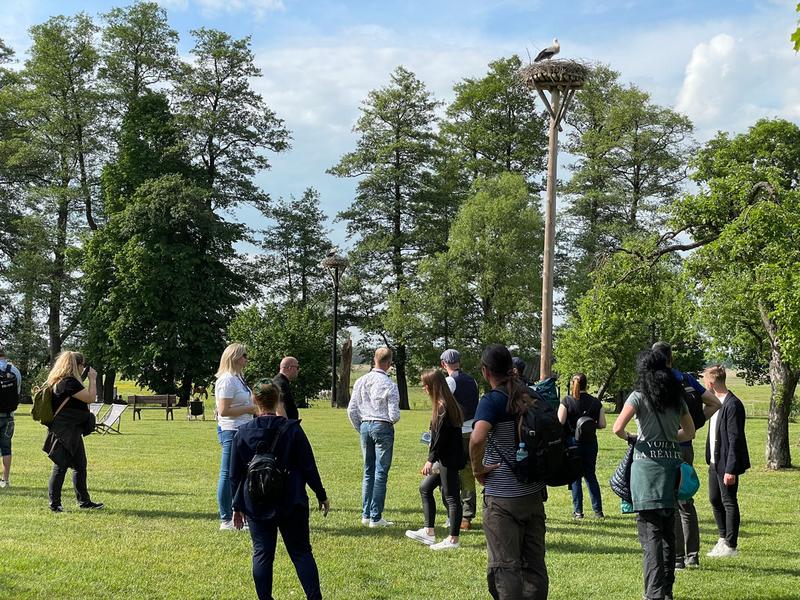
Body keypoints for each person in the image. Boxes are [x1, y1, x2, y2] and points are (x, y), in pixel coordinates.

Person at [230, 381, 329, 600]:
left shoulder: (242, 433)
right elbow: (308, 466)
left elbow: (235, 475)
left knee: (262, 553)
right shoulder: (292, 429)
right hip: (291, 498)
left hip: (256, 500)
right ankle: (314, 597)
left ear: (254, 401)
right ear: (278, 401)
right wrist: (320, 494)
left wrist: (237, 506)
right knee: (301, 552)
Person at [613, 350, 696, 600]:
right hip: (671, 468)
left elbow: (618, 428)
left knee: (650, 535)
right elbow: (689, 432)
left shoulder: (638, 396)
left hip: (645, 472)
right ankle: (666, 591)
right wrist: (670, 438)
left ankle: (653, 593)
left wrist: (633, 438)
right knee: (668, 533)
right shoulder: (677, 398)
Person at [470, 343, 548, 600]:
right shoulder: (530, 396)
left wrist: (477, 469)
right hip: (534, 492)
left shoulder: (492, 400)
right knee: (534, 566)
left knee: (505, 567)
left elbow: (477, 438)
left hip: (502, 497)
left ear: (485, 371)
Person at [652, 341, 721, 569]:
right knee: (685, 501)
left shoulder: (655, 380)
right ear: (671, 358)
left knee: (668, 502)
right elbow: (713, 403)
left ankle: (677, 557)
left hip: (663, 448)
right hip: (686, 447)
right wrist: (693, 425)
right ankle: (692, 556)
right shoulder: (685, 378)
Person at [405, 369, 466, 550]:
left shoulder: (443, 407)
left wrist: (430, 460)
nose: (423, 388)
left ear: (434, 386)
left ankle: (453, 540)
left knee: (452, 497)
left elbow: (439, 438)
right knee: (425, 488)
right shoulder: (444, 404)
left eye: (425, 384)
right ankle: (429, 531)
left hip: (448, 459)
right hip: (445, 458)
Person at [42, 351, 103, 512]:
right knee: (60, 466)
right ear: (78, 365)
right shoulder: (68, 382)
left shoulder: (60, 381)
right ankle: (54, 504)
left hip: (70, 429)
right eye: (82, 365)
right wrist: (92, 379)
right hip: (66, 430)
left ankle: (84, 501)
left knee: (80, 465)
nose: (84, 368)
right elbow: (90, 398)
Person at [347, 346, 400, 528]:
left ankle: (365, 514)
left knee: (368, 471)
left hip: (364, 424)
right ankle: (376, 517)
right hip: (382, 425)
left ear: (374, 360)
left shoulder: (361, 381)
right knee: (380, 473)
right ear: (389, 363)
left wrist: (359, 427)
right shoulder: (389, 385)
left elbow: (351, 409)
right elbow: (394, 415)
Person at [703, 365, 750, 559]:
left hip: (727, 463)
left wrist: (731, 469)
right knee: (715, 500)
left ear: (711, 382)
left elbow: (735, 439)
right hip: (715, 461)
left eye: (705, 381)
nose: (704, 385)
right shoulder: (714, 402)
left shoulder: (732, 404)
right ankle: (722, 538)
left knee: (729, 501)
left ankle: (731, 544)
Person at [215, 342, 256, 530]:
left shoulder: (239, 378)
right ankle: (226, 518)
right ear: (234, 358)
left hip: (244, 429)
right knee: (227, 473)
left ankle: (240, 515)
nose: (246, 359)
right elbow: (223, 410)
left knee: (242, 474)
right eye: (244, 355)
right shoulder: (227, 380)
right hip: (231, 430)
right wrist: (250, 408)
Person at [440, 348, 479, 530]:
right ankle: (467, 516)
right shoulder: (472, 380)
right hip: (472, 431)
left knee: (450, 474)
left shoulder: (449, 381)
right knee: (468, 473)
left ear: (443, 364)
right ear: (459, 362)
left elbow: (443, 407)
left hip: (457, 432)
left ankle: (453, 514)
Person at [558, 372, 605, 519]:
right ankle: (598, 511)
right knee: (590, 475)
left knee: (575, 477)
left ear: (573, 384)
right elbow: (602, 424)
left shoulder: (567, 401)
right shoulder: (596, 403)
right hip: (591, 443)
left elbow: (560, 421)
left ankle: (578, 512)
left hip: (573, 443)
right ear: (587, 384)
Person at [0, 348, 22, 488]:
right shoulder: (14, 371)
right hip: (9, 416)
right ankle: (5, 479)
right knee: (6, 448)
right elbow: (17, 391)